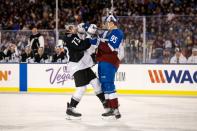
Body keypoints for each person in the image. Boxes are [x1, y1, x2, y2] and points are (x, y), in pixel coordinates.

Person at [60, 23, 106, 119]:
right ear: (69, 30)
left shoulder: (71, 37)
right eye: (73, 27)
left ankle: (106, 105)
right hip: (76, 66)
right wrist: (89, 35)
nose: (75, 28)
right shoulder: (69, 37)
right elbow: (82, 46)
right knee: (81, 88)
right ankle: (71, 109)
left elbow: (82, 43)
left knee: (96, 82)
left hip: (82, 65)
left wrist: (87, 33)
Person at [96, 15, 124, 119]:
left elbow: (110, 48)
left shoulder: (117, 32)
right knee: (104, 85)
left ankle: (115, 109)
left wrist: (97, 42)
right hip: (103, 61)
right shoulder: (107, 32)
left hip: (110, 60)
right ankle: (110, 108)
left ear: (112, 23)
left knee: (108, 84)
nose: (105, 24)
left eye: (107, 23)